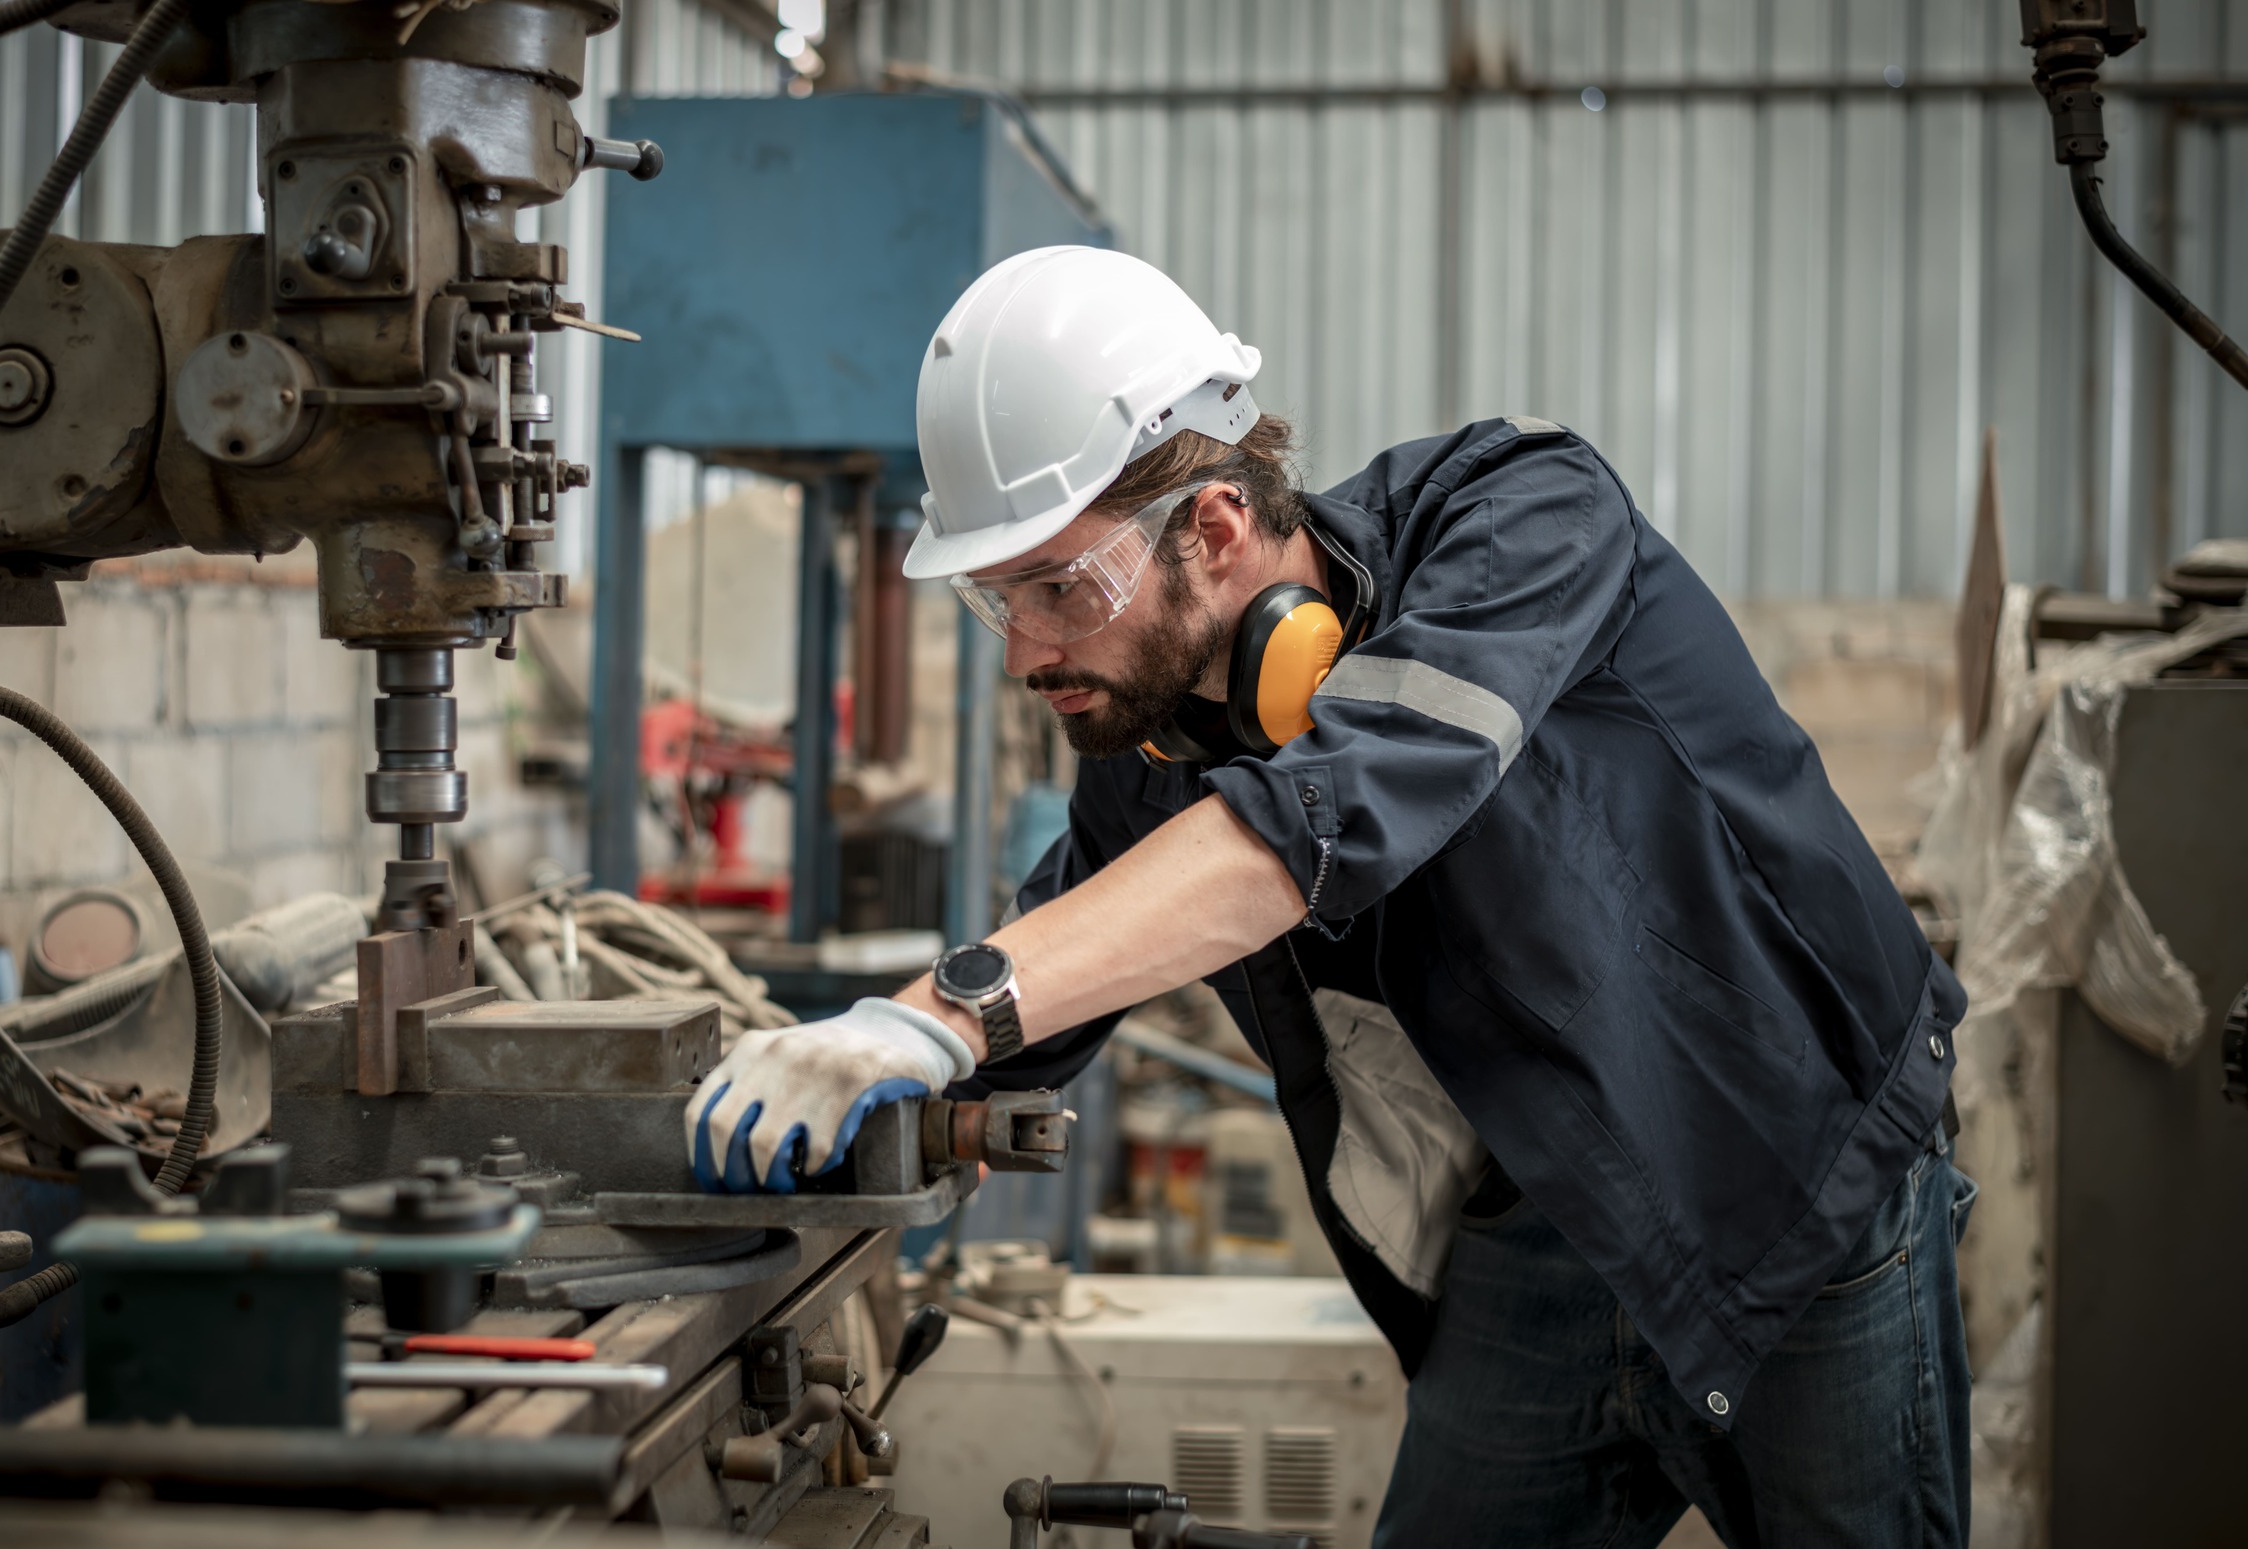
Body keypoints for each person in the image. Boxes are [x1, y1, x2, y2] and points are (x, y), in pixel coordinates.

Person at [686, 247, 1976, 1547]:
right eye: (995, 596)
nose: (1025, 650)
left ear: (1215, 524)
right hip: (1539, 1228)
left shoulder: (1517, 518)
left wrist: (940, 1013)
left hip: (1792, 1177)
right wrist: (840, 1081)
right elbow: (1051, 982)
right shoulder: (1155, 743)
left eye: (1059, 587)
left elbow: (1309, 825)